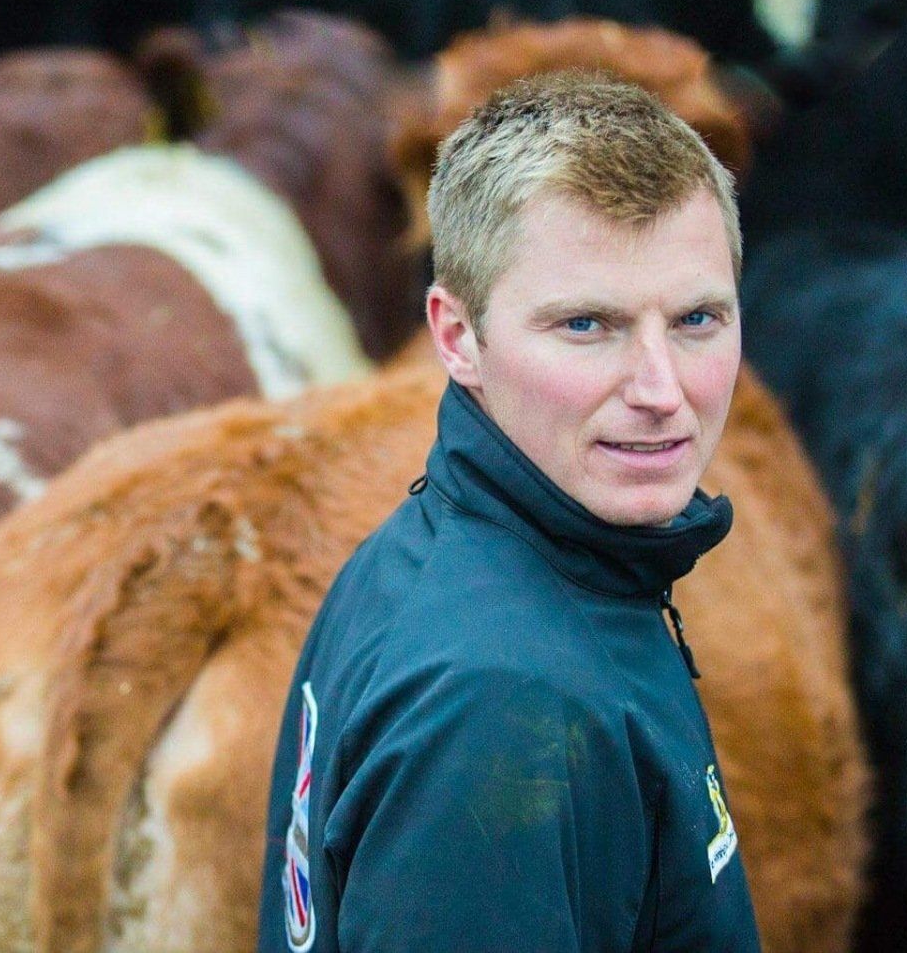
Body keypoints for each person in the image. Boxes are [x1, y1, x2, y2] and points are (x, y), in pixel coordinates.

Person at [257, 72, 761, 952]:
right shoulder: (498, 710)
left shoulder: (439, 555)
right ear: (457, 338)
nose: (661, 390)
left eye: (697, 319)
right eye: (586, 326)